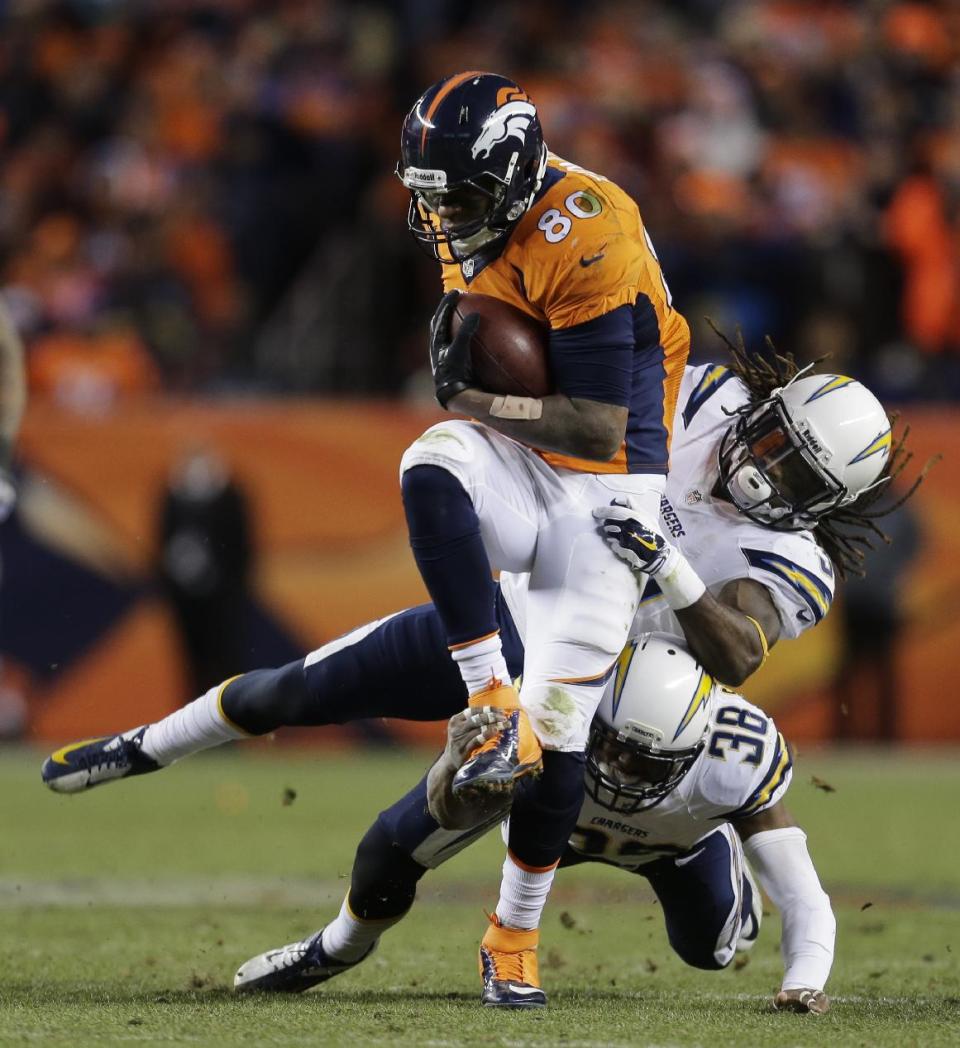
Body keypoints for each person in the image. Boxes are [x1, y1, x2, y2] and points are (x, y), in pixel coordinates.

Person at [42, 344, 909, 1003]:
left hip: (626, 729)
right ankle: (149, 748)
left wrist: (672, 568)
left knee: (713, 950)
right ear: (761, 407)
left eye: (800, 474)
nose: (768, 469)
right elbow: (596, 389)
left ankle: (662, 860)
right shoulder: (706, 393)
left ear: (826, 504)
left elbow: (739, 650)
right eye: (776, 442)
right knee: (300, 700)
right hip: (521, 630)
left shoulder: (797, 559)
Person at [393, 70, 690, 996]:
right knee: (430, 462)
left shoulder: (586, 226)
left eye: (466, 198)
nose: (449, 222)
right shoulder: (474, 212)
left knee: (559, 733)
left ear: (515, 176)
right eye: (435, 200)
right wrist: (473, 407)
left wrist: (475, 395)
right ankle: (488, 699)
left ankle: (512, 938)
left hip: (612, 483)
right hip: (527, 458)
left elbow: (598, 425)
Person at [233, 635, 833, 1015]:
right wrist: (452, 771)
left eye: (644, 761)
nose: (621, 770)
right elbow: (421, 830)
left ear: (694, 750)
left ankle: (714, 851)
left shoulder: (737, 761)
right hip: (548, 820)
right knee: (389, 849)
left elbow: (802, 890)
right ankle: (336, 948)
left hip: (670, 846)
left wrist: (804, 980)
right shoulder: (553, 707)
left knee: (714, 950)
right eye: (614, 746)